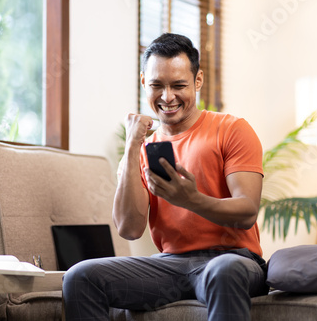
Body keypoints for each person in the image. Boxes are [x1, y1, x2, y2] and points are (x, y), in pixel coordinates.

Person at [63, 33, 268, 321]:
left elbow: (246, 211)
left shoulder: (232, 129)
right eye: (157, 85)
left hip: (233, 260)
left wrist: (193, 200)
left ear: (198, 81)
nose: (167, 96)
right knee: (81, 277)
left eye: (179, 85)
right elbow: (129, 228)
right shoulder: (144, 148)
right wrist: (133, 145)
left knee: (223, 271)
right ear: (144, 82)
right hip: (171, 266)